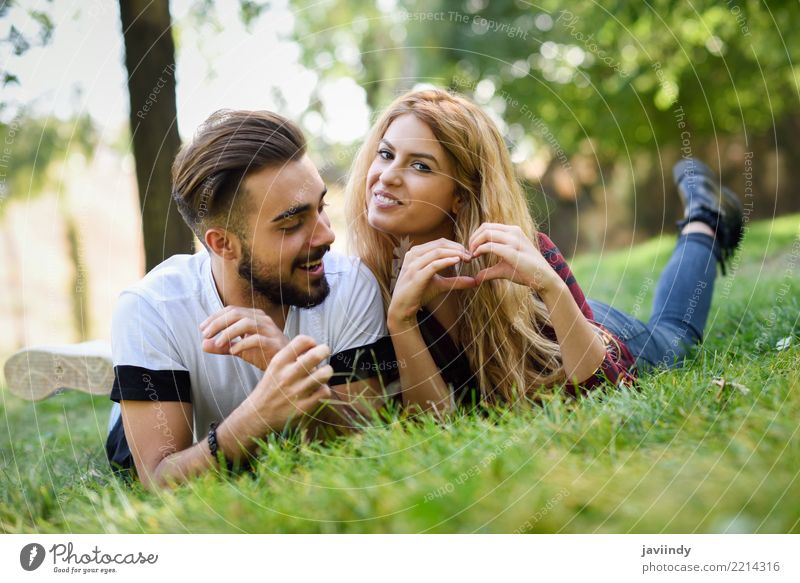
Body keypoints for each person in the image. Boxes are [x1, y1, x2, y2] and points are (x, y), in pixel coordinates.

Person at [343, 89, 743, 413]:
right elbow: (433, 427)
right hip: (559, 330)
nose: (388, 176)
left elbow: (606, 394)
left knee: (676, 336)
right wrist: (402, 320)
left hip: (585, 335)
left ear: (460, 198)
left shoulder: (519, 256)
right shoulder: (365, 284)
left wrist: (552, 289)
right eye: (385, 153)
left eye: (421, 167)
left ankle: (702, 218)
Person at [102, 109, 392, 489]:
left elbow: (364, 440)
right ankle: (120, 371)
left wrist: (295, 376)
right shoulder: (149, 309)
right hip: (167, 410)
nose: (325, 236)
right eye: (292, 224)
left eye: (321, 207)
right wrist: (255, 417)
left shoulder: (352, 285)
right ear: (222, 244)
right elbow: (159, 480)